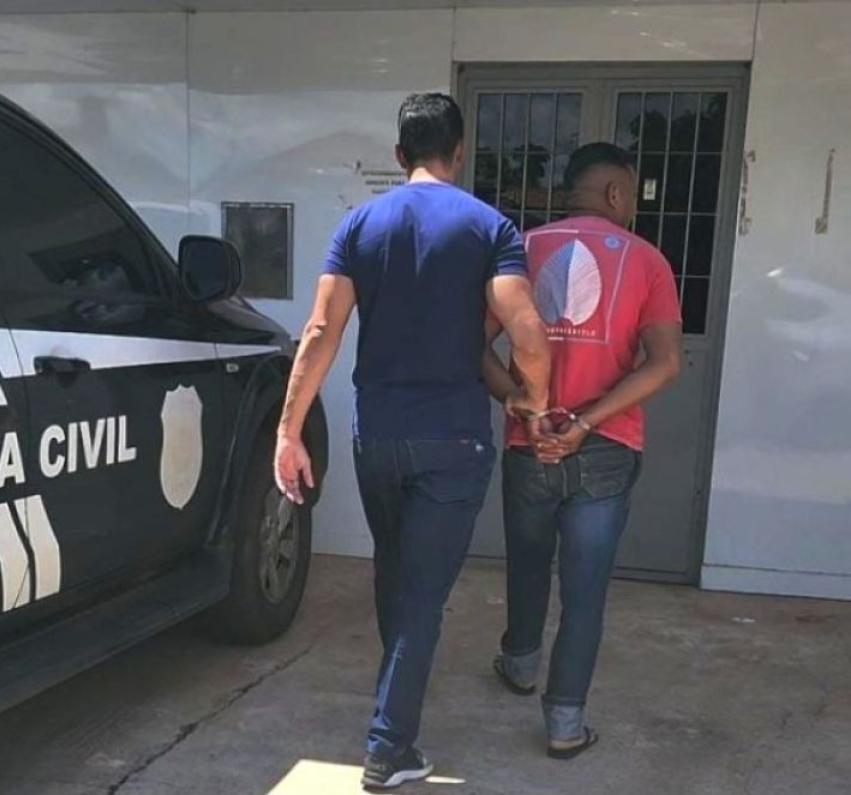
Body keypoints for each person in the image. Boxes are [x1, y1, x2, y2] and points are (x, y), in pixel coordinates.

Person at [273, 93, 551, 789]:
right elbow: (527, 331)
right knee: (422, 593)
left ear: (399, 156)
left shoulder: (359, 225)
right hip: (452, 442)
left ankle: (392, 710)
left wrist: (288, 430)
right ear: (459, 152)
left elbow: (320, 331)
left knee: (395, 573)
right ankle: (388, 748)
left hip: (379, 436)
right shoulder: (490, 227)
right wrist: (534, 399)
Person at [483, 142, 683, 760]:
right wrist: (588, 421)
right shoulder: (647, 260)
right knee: (585, 587)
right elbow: (666, 362)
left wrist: (521, 403)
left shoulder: (519, 249)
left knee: (527, 561)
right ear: (617, 193)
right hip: (605, 447)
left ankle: (520, 663)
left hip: (529, 443)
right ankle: (565, 724)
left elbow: (471, 345)